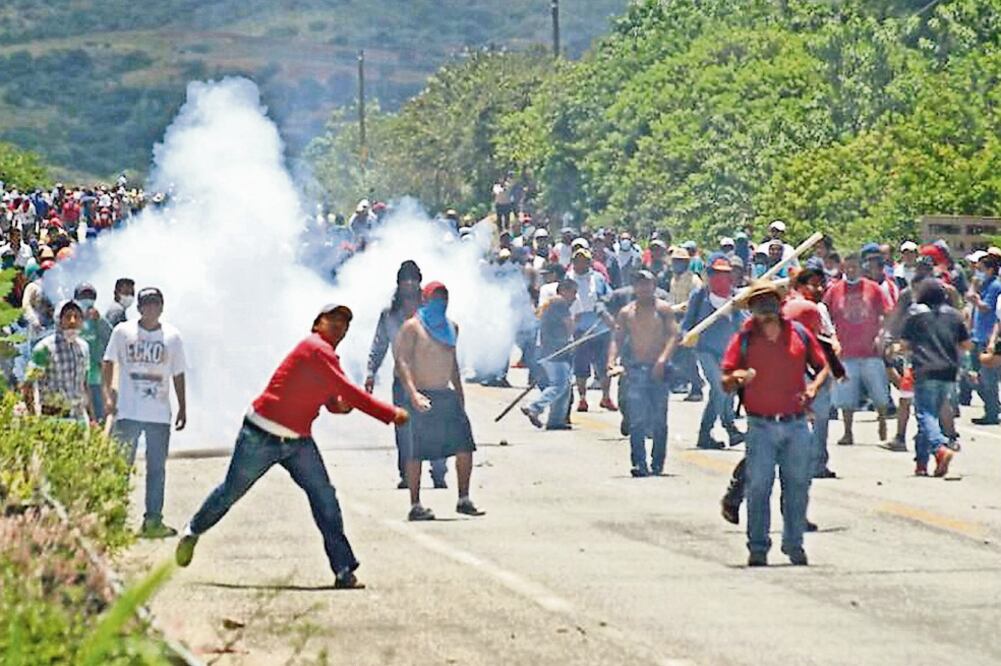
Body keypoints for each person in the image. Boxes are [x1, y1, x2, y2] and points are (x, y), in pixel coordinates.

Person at [175, 304, 408, 589]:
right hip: (261, 433)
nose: (339, 326)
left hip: (297, 440)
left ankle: (343, 569)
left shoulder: (328, 357)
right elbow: (348, 392)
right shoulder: (315, 348)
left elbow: (334, 400)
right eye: (332, 320)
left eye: (344, 323)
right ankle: (193, 530)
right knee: (231, 491)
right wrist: (390, 413)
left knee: (325, 498)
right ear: (317, 324)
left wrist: (340, 406)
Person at [721, 281, 828, 567]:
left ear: (779, 305)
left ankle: (794, 544)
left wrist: (814, 388)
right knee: (758, 488)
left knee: (797, 487)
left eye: (770, 302)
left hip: (795, 424)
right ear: (752, 310)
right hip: (760, 426)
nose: (765, 308)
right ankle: (758, 547)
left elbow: (823, 367)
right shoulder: (744, 338)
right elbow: (725, 380)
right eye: (759, 304)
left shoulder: (799, 334)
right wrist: (740, 376)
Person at [395, 282, 485, 521]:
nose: (440, 302)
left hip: (446, 395)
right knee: (417, 451)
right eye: (435, 297)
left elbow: (452, 362)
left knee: (465, 446)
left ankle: (463, 499)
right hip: (422, 395)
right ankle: (415, 504)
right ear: (425, 299)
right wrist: (413, 394)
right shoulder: (412, 327)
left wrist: (459, 392)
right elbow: (402, 362)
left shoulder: (451, 327)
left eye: (444, 297)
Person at [102, 287, 187, 538]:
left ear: (162, 307)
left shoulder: (172, 336)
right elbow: (108, 362)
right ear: (138, 308)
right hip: (127, 411)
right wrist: (108, 395)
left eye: (155, 304)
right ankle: (114, 519)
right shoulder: (123, 332)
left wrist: (183, 406)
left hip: (158, 413)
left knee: (157, 469)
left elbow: (178, 373)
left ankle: (153, 520)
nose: (151, 308)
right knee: (121, 466)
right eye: (146, 304)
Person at [365, 261, 447, 489]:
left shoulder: (431, 311)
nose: (409, 283)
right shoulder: (389, 315)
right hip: (402, 380)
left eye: (413, 278)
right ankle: (406, 474)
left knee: (435, 427)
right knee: (404, 428)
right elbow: (379, 344)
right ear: (399, 283)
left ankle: (439, 472)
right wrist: (371, 372)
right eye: (405, 278)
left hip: (431, 379)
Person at [607, 271, 677, 477]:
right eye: (639, 284)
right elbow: (617, 338)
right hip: (635, 370)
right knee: (636, 420)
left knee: (659, 420)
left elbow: (675, 335)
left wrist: (663, 359)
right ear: (634, 287)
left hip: (659, 370)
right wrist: (611, 360)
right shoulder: (626, 312)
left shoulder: (663, 309)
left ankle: (658, 462)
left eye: (647, 284)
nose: (643, 288)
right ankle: (639, 463)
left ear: (654, 285)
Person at [900, 280, 971, 476]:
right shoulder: (955, 316)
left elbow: (904, 344)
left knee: (925, 415)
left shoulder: (915, 314)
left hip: (925, 368)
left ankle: (940, 448)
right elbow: (966, 344)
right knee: (932, 415)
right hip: (949, 371)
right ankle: (921, 463)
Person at [824, 253, 892, 445]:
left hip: (870, 351)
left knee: (879, 393)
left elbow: (888, 314)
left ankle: (882, 419)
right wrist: (831, 338)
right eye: (848, 267)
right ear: (843, 269)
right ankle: (847, 432)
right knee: (846, 396)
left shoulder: (874, 289)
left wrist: (882, 336)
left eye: (855, 267)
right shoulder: (834, 290)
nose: (851, 270)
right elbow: (824, 316)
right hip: (845, 351)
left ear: (861, 268)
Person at [681, 255, 746, 449]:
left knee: (723, 393)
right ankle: (728, 427)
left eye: (725, 274)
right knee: (719, 388)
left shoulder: (735, 298)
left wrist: (734, 313)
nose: (721, 278)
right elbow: (687, 325)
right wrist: (687, 336)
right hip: (705, 350)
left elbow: (743, 325)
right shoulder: (700, 296)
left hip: (728, 353)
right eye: (716, 273)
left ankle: (708, 433)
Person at [521, 278, 577, 430]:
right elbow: (569, 324)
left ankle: (556, 421)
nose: (575, 297)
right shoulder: (559, 302)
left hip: (550, 349)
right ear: (564, 291)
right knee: (559, 385)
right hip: (555, 350)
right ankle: (535, 407)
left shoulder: (552, 303)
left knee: (565, 386)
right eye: (573, 293)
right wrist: (574, 336)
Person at [25, 300, 94, 422]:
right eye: (68, 317)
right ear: (59, 320)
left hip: (78, 419)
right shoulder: (45, 348)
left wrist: (91, 418)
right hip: (53, 418)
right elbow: (28, 385)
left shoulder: (84, 347)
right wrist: (32, 417)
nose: (72, 321)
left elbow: (84, 385)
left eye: (77, 317)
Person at [567, 249, 616, 412]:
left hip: (600, 328)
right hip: (579, 329)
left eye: (584, 260)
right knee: (581, 367)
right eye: (577, 260)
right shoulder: (568, 279)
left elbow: (609, 297)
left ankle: (606, 397)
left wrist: (606, 314)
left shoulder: (598, 279)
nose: (581, 264)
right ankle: (582, 398)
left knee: (603, 366)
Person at [967, 253, 1001, 425]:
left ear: (990, 269)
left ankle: (992, 412)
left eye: (980, 269)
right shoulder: (983, 284)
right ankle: (993, 406)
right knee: (974, 376)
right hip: (977, 335)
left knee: (988, 378)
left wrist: (976, 297)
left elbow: (986, 307)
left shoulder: (995, 286)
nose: (977, 272)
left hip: (988, 337)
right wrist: (974, 287)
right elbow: (969, 297)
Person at [74, 283, 112, 421]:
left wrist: (100, 320)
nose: (87, 299)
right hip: (76, 377)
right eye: (83, 295)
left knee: (98, 415)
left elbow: (110, 337)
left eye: (90, 296)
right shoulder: (72, 320)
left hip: (95, 377)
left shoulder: (97, 320)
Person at [669, 247, 703, 399]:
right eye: (675, 261)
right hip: (675, 320)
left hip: (690, 321)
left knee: (687, 355)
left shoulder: (694, 280)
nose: (677, 264)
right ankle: (690, 383)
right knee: (678, 356)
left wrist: (672, 308)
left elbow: (691, 304)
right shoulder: (674, 279)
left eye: (681, 261)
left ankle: (696, 387)